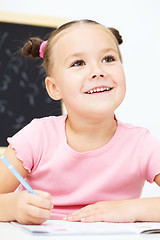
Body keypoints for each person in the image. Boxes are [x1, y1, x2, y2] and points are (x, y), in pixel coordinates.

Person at [0, 19, 160, 225]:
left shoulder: (142, 144)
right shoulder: (37, 137)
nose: (98, 71)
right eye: (78, 63)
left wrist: (128, 209)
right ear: (54, 88)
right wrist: (13, 207)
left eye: (108, 58)